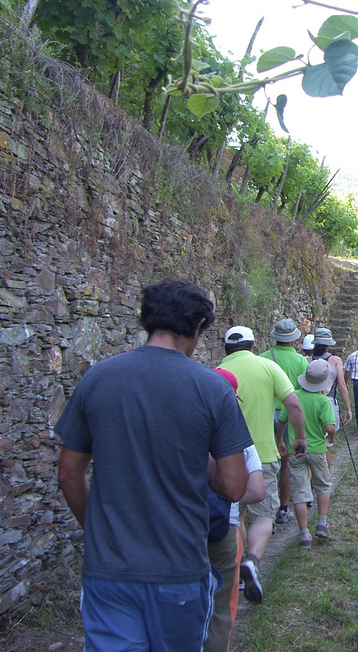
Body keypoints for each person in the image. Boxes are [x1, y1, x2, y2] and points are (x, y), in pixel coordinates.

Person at [55, 277, 253, 651]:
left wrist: (97, 531)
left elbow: (68, 472)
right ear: (197, 328)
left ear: (148, 321)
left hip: (109, 572)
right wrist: (198, 461)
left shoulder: (97, 378)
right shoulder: (212, 388)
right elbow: (234, 486)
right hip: (179, 571)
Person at [219, 325, 306, 605]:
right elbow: (292, 404)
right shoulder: (267, 368)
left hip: (226, 458)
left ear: (226, 349)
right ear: (253, 345)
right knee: (264, 515)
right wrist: (299, 437)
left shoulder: (216, 372)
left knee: (237, 515)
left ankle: (240, 562)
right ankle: (253, 561)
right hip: (263, 455)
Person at [205, 368, 265, 652]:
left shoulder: (179, 427)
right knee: (219, 609)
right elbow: (255, 492)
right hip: (222, 528)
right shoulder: (240, 440)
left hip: (176, 529)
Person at [281, 360, 337, 545]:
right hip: (318, 451)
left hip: (296, 451)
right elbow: (329, 426)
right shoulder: (322, 401)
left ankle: (304, 534)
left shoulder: (293, 397)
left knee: (300, 492)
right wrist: (331, 438)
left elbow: (281, 421)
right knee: (322, 485)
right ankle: (322, 523)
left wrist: (280, 440)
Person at [260, 318, 308, 527]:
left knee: (265, 462)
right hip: (288, 416)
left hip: (266, 413)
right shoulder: (300, 361)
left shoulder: (262, 358)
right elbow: (304, 392)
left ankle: (263, 511)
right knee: (286, 462)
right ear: (294, 339)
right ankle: (283, 508)